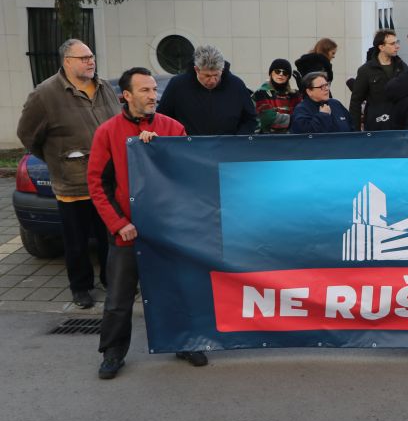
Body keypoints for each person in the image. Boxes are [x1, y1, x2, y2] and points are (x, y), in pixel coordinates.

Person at [87, 67, 207, 379]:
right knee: (118, 297)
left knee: (177, 289)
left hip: (167, 230)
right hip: (127, 232)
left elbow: (186, 176)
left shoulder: (173, 128)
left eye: (154, 89)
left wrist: (157, 151)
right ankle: (112, 353)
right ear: (125, 96)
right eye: (145, 90)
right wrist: (117, 224)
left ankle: (184, 341)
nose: (153, 96)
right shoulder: (108, 132)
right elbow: (97, 185)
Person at [17, 39, 118, 309]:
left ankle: (111, 282)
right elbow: (28, 136)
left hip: (107, 181)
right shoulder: (46, 94)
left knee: (109, 237)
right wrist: (57, 158)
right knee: (76, 242)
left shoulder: (104, 87)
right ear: (67, 61)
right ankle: (81, 288)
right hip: (74, 183)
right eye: (83, 57)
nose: (90, 61)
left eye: (92, 56)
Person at [157, 44, 256, 135]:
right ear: (196, 70)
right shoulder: (177, 85)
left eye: (216, 75)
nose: (213, 80)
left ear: (222, 69)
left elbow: (250, 119)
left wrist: (238, 140)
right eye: (207, 75)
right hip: (188, 149)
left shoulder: (236, 85)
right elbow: (162, 118)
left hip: (228, 148)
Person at [349, 29, 408, 131]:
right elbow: (356, 101)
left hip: (400, 123)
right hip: (376, 124)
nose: (397, 46)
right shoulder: (366, 70)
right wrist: (355, 129)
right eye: (392, 43)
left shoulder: (402, 66)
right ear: (381, 47)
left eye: (397, 42)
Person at [252, 59, 301, 134]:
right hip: (266, 141)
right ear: (271, 73)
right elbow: (268, 119)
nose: (281, 74)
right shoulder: (261, 93)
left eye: (285, 72)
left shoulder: (294, 95)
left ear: (288, 76)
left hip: (291, 141)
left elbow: (305, 113)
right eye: (277, 71)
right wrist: (294, 120)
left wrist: (303, 89)